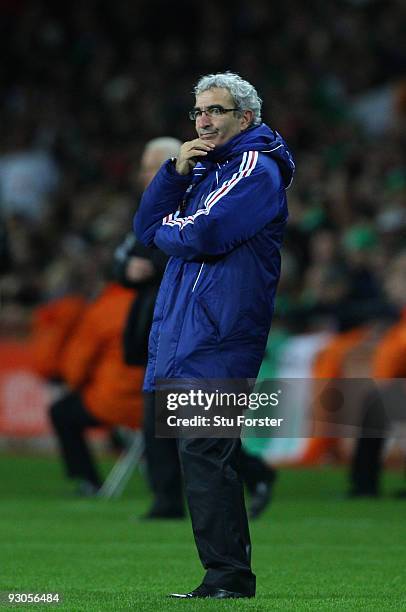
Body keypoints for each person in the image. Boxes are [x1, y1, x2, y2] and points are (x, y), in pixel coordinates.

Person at [134, 71, 294, 599]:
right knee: (203, 454)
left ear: (246, 117)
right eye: (199, 112)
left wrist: (166, 231)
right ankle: (226, 576)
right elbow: (145, 230)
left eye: (216, 111)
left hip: (220, 334)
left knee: (206, 454)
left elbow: (202, 232)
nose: (204, 120)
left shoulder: (254, 167)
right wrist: (175, 172)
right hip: (192, 331)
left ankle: (228, 578)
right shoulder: (207, 167)